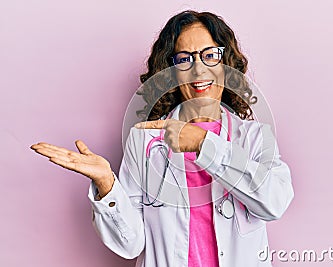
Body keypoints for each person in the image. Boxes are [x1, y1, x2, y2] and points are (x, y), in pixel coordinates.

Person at [31, 10, 294, 267]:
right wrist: (107, 184)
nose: (198, 69)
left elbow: (273, 204)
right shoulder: (144, 140)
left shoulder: (255, 136)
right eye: (184, 59)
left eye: (210, 55)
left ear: (226, 66)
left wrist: (205, 144)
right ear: (171, 71)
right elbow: (129, 244)